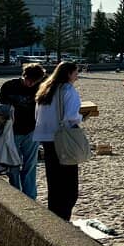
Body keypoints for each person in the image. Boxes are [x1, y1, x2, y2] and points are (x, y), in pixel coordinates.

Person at [34, 62, 84, 221]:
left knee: (54, 182)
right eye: (76, 72)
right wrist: (82, 117)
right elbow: (71, 116)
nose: (77, 75)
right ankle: (64, 219)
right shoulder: (68, 90)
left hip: (46, 138)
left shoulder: (45, 89)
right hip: (62, 138)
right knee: (69, 187)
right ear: (69, 73)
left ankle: (54, 218)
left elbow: (37, 115)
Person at [0, 63, 46, 199]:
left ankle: (30, 196)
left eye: (34, 81)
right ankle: (16, 193)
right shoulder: (9, 86)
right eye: (29, 80)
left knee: (30, 165)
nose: (31, 84)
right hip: (11, 131)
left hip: (32, 131)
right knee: (13, 165)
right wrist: (1, 120)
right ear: (24, 76)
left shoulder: (41, 87)